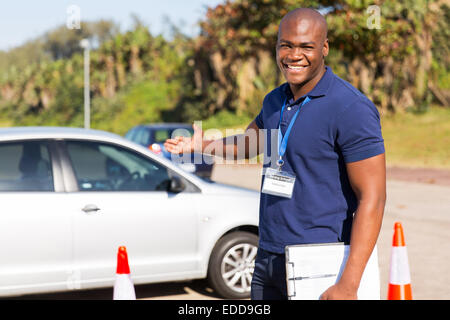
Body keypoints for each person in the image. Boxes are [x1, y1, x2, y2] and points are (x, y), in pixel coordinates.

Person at [164, 8, 386, 300]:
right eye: (286, 45)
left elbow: (373, 197)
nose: (294, 55)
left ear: (324, 48)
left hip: (320, 260)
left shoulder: (350, 108)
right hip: (268, 255)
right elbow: (248, 143)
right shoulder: (274, 100)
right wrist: (200, 146)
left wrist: (349, 283)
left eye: (306, 46)